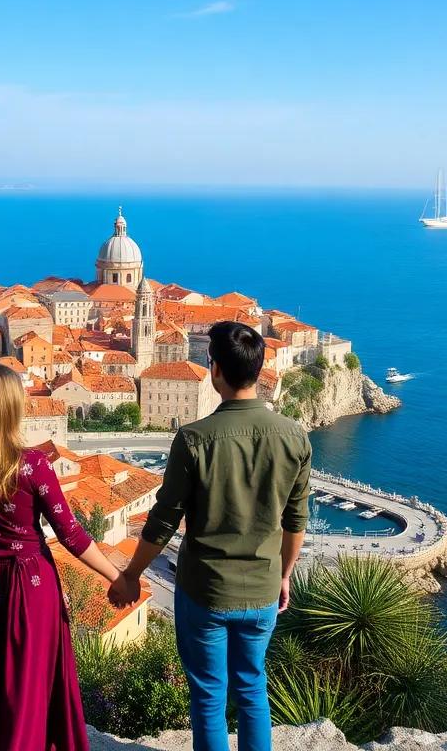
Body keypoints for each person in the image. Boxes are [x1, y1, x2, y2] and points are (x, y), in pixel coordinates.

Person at [109, 321, 312, 751]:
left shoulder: (194, 439)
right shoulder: (295, 438)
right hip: (262, 591)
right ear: (258, 370)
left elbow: (163, 521)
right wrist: (285, 575)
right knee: (253, 688)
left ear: (214, 369)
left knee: (208, 696)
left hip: (205, 590)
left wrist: (130, 575)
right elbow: (296, 521)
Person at [0, 361, 123, 750]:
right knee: (30, 693)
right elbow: (70, 533)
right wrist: (117, 576)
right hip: (30, 590)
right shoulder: (32, 465)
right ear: (11, 408)